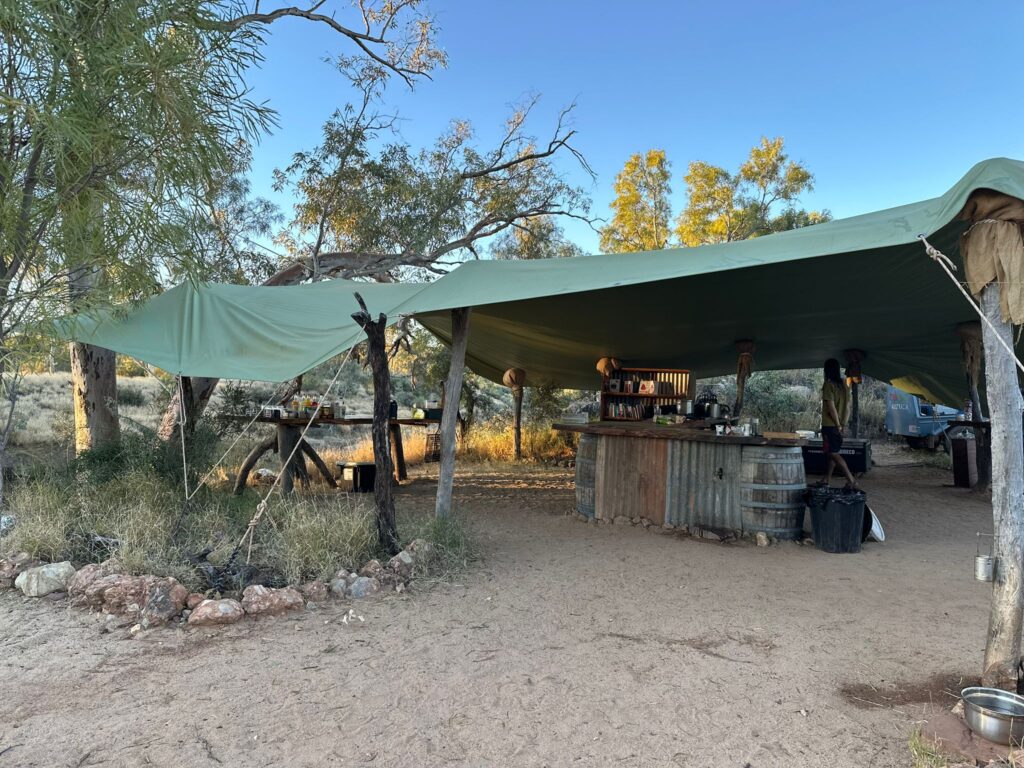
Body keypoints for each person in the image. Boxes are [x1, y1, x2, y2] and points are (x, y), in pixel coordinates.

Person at [820, 358, 858, 489]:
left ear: (826, 370)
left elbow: (831, 408)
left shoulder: (828, 385)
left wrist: (837, 425)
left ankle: (851, 480)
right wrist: (843, 424)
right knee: (832, 452)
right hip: (839, 425)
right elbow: (847, 407)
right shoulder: (844, 384)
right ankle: (826, 480)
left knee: (833, 454)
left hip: (830, 426)